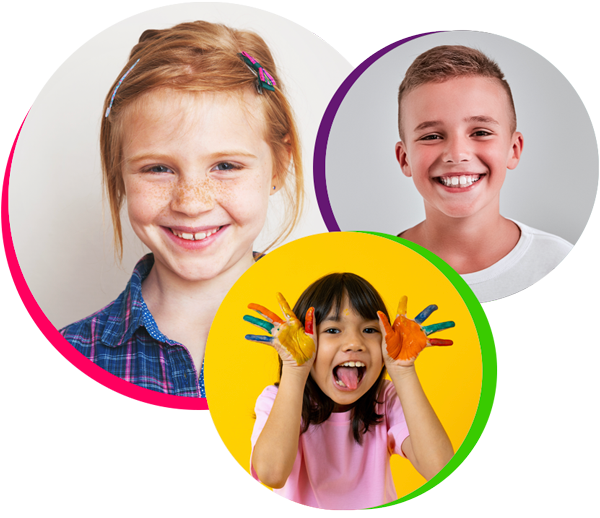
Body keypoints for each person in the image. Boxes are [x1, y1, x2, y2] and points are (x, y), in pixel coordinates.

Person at [21, 20, 304, 398]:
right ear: (119, 173)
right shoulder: (60, 367)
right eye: (158, 168)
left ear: (280, 165)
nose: (191, 202)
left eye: (226, 166)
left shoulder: (343, 341)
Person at [395, 45, 596, 304]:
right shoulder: (368, 271)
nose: (457, 154)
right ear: (404, 159)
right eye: (431, 136)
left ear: (513, 149)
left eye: (480, 132)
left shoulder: (562, 268)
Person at [244, 273, 455, 510]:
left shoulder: (385, 398)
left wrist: (403, 372)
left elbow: (441, 470)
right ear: (304, 338)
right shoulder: (275, 399)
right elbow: (272, 474)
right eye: (333, 330)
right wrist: (295, 369)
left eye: (369, 330)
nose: (355, 342)